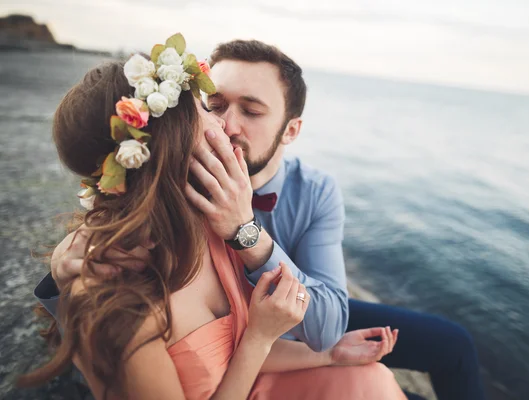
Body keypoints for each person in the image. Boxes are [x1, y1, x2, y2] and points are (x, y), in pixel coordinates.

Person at [39, 39, 486, 399]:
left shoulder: (316, 190)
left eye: (252, 112)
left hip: (288, 317)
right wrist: (59, 280)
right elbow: (119, 196)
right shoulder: (167, 205)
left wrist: (245, 232)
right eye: (212, 105)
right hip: (245, 338)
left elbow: (324, 325)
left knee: (452, 345)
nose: (228, 125)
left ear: (290, 130)